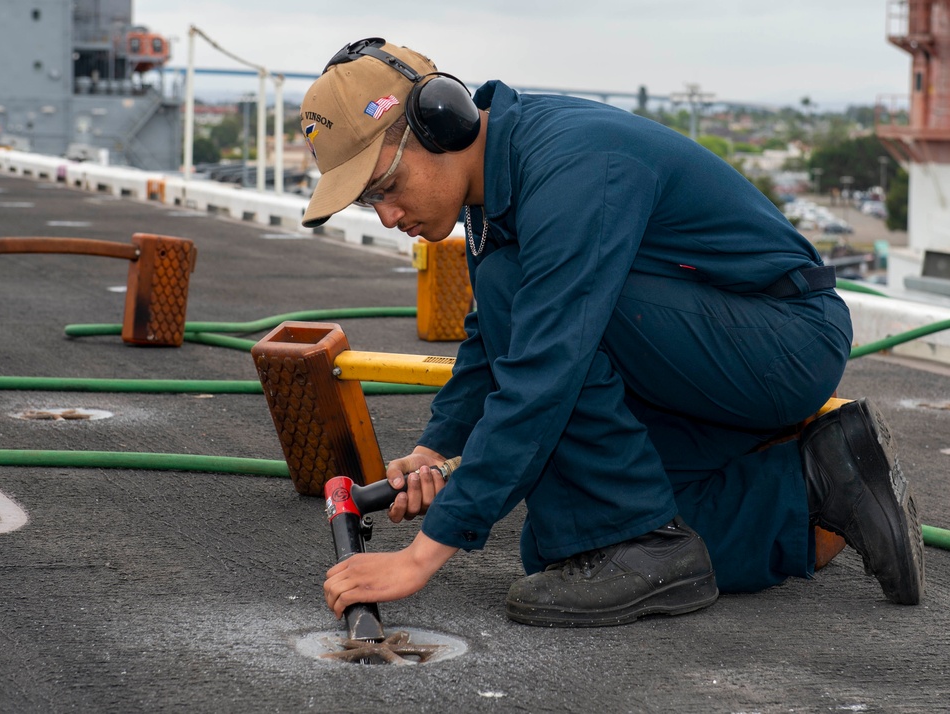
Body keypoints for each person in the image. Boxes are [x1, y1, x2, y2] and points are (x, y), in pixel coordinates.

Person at [301, 38, 925, 627]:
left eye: (386, 186)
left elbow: (546, 365)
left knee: (513, 293)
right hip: (704, 355)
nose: (386, 216)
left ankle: (644, 540)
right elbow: (491, 344)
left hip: (781, 345)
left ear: (444, 123)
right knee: (569, 539)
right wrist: (437, 448)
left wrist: (419, 558)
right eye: (367, 202)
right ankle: (819, 482)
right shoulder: (496, 185)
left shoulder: (574, 166)